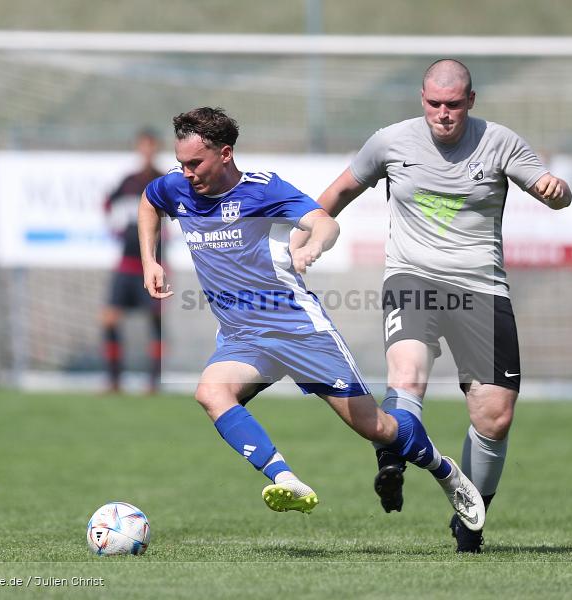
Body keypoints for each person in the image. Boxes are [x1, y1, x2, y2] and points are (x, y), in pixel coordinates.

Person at [138, 107, 484, 529]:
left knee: (376, 428)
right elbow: (150, 201)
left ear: (225, 154)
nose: (187, 173)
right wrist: (149, 261)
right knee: (211, 393)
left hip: (301, 332)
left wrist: (312, 246)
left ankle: (444, 471)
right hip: (244, 338)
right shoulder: (177, 188)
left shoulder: (263, 191)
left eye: (196, 163)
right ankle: (285, 479)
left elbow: (324, 224)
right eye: (181, 164)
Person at [313, 59, 572, 552]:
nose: (443, 114)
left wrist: (556, 192)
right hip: (411, 278)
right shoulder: (390, 142)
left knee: (494, 417)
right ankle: (390, 459)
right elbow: (336, 194)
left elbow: (552, 192)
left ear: (471, 101)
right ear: (422, 99)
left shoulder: (500, 143)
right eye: (434, 104)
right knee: (407, 375)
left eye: (453, 105)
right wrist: (307, 234)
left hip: (481, 287)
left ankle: (470, 518)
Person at [101, 129, 165, 393]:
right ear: (138, 148)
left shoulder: (163, 181)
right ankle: (114, 381)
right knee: (109, 319)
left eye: (151, 146)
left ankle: (153, 383)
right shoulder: (128, 181)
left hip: (152, 263)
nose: (147, 151)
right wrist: (114, 229)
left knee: (155, 321)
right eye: (143, 146)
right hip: (126, 264)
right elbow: (107, 204)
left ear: (156, 148)